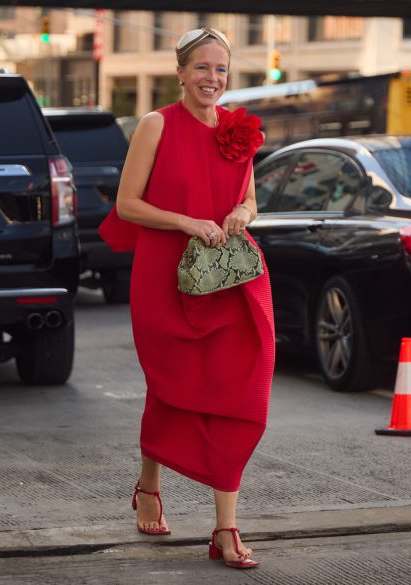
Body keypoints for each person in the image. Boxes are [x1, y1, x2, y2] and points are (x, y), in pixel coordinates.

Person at [98, 27, 274, 570]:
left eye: (221, 70)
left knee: (237, 391)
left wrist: (242, 214)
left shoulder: (239, 130)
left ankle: (225, 527)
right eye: (202, 68)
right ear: (179, 71)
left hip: (228, 279)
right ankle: (148, 486)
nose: (212, 79)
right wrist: (185, 221)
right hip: (163, 278)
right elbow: (127, 205)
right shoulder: (156, 125)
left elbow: (248, 197)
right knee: (171, 387)